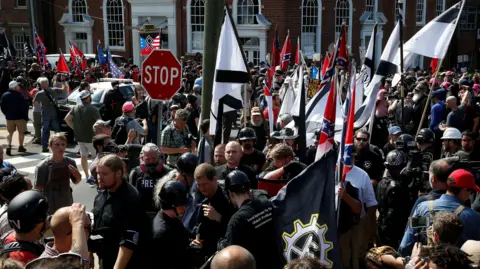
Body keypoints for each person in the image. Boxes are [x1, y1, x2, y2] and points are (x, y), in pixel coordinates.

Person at [399, 169, 480, 256]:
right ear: (465, 190)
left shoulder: (422, 208)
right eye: (471, 191)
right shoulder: (473, 217)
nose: (470, 195)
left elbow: (406, 244)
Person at [91, 154, 146, 269]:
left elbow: (129, 240)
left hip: (124, 263)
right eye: (98, 173)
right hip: (105, 257)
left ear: (118, 173)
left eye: (104, 174)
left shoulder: (131, 199)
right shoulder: (101, 195)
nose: (99, 177)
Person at [218, 170, 275, 269]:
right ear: (249, 190)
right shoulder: (267, 204)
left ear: (230, 194)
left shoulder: (237, 220)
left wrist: (220, 243)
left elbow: (228, 250)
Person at [191, 164, 236, 257]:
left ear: (214, 180)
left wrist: (219, 218)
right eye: (199, 185)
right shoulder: (198, 195)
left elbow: (235, 229)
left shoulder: (227, 199)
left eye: (205, 184)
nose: (202, 188)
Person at [148, 179, 193, 269]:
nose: (185, 208)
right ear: (172, 205)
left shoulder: (172, 219)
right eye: (183, 205)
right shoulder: (162, 233)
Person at [34, 134, 81, 214]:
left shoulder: (70, 162)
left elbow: (76, 181)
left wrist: (78, 175)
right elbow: (37, 190)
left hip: (67, 203)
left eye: (63, 144)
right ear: (50, 146)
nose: (61, 147)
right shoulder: (43, 166)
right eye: (57, 144)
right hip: (50, 206)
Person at [0, 191, 49, 264]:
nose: (47, 220)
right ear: (35, 225)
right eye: (44, 217)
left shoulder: (8, 236)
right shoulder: (29, 259)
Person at [376, 150, 412, 249]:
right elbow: (397, 212)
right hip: (393, 229)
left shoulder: (381, 182)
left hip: (382, 225)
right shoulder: (396, 187)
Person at [64, 90, 101, 180]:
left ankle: (87, 176)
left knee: (83, 156)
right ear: (88, 98)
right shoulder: (93, 109)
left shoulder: (75, 107)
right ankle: (94, 176)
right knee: (96, 158)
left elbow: (67, 119)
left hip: (79, 137)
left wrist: (74, 128)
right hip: (91, 137)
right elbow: (99, 123)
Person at [129, 143, 171, 213]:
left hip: (161, 213)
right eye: (148, 159)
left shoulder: (167, 172)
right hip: (142, 213)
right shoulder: (135, 173)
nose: (151, 161)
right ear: (142, 158)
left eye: (154, 158)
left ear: (159, 157)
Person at [33, 77, 64, 152]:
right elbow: (64, 89)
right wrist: (63, 82)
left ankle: (44, 146)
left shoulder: (39, 93)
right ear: (48, 83)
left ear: (41, 85)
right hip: (54, 113)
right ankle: (59, 145)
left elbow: (35, 102)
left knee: (45, 130)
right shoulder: (55, 90)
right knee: (57, 130)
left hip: (45, 113)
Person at [0, 81, 28, 155]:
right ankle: (21, 146)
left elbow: (2, 107)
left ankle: (9, 146)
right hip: (20, 117)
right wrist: (25, 117)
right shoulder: (20, 96)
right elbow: (24, 107)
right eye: (17, 86)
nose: (19, 87)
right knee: (21, 132)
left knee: (10, 133)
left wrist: (6, 113)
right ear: (15, 87)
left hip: (9, 117)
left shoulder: (5, 95)